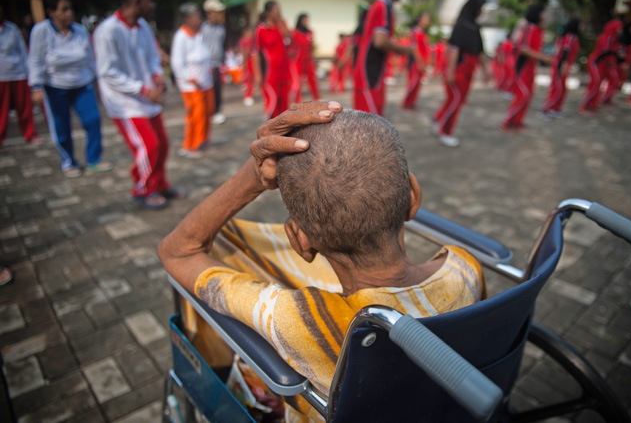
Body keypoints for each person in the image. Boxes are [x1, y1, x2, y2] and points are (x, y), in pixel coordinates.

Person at [159, 101, 485, 422]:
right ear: (413, 197)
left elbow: (178, 251)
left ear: (300, 240)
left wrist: (254, 176)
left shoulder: (298, 320)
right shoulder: (466, 268)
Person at [93, 0, 185, 210]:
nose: (151, 5)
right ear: (135, 2)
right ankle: (143, 187)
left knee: (162, 144)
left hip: (148, 100)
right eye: (147, 1)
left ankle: (159, 182)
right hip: (124, 103)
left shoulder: (143, 26)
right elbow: (107, 72)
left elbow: (153, 57)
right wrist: (144, 90)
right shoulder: (107, 30)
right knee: (149, 146)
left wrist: (157, 76)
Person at [28, 0, 111, 177]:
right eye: (64, 9)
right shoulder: (41, 31)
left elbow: (90, 59)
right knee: (61, 125)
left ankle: (93, 159)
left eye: (70, 9)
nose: (69, 13)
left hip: (82, 83)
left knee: (93, 120)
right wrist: (36, 86)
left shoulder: (80, 31)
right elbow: (35, 61)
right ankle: (69, 161)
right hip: (55, 86)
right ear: (51, 12)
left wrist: (97, 85)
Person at [353, 0, 413, 116]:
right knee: (370, 126)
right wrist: (404, 50)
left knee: (372, 123)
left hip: (374, 73)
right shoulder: (382, 6)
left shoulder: (383, 6)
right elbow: (380, 41)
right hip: (369, 74)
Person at [432, 0, 489, 147]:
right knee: (455, 101)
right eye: (480, 8)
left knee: (457, 101)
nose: (481, 12)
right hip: (458, 70)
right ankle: (445, 132)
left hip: (469, 70)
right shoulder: (461, 26)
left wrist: (486, 71)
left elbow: (480, 52)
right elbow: (454, 50)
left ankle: (439, 119)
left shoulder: (475, 28)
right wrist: (450, 72)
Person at [171, 3, 215, 159]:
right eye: (197, 16)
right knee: (195, 115)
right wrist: (189, 78)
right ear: (187, 18)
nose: (200, 18)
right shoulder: (181, 36)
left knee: (207, 111)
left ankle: (203, 139)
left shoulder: (198, 34)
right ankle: (189, 145)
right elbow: (177, 63)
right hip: (191, 85)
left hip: (205, 82)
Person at [500, 4, 552, 133]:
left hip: (531, 68)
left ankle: (517, 122)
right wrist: (544, 57)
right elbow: (523, 49)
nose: (545, 15)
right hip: (522, 67)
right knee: (523, 94)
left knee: (529, 95)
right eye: (543, 12)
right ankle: (508, 122)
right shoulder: (529, 28)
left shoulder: (538, 30)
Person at [0, 4, 42, 147]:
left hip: (18, 73)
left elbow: (23, 51)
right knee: (2, 110)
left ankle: (30, 134)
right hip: (1, 75)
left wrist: (29, 72)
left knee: (24, 107)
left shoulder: (11, 28)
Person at [253, 0, 291, 120]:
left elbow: (289, 38)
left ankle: (284, 134)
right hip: (270, 73)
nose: (279, 13)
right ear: (268, 12)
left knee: (284, 104)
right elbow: (255, 53)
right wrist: (257, 74)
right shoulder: (261, 30)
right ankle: (270, 133)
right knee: (272, 104)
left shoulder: (282, 25)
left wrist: (279, 22)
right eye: (276, 10)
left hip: (284, 71)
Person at [538, 17, 581, 121]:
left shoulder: (570, 37)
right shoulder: (569, 37)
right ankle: (545, 110)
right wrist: (563, 66)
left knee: (562, 89)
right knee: (557, 89)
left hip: (564, 66)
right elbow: (565, 53)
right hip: (560, 65)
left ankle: (555, 109)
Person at [578, 20, 622, 115]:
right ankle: (585, 105)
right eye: (619, 28)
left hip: (602, 65)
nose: (620, 30)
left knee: (599, 85)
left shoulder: (613, 38)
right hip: (596, 63)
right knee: (595, 84)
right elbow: (606, 52)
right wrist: (616, 53)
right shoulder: (608, 37)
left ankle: (593, 104)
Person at [202, 0, 228, 125]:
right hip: (207, 65)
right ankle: (210, 113)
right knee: (209, 91)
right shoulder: (203, 28)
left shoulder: (221, 28)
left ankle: (217, 112)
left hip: (217, 64)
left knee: (217, 90)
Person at [401, 12, 431, 111]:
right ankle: (406, 103)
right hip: (415, 63)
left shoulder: (423, 33)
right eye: (426, 18)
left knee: (418, 84)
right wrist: (420, 62)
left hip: (421, 63)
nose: (427, 21)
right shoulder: (414, 32)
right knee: (412, 83)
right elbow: (414, 48)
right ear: (420, 19)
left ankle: (412, 103)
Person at [290, 13, 320, 103]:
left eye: (307, 20)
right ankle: (297, 101)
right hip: (298, 60)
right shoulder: (294, 33)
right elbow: (290, 46)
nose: (306, 22)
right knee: (297, 82)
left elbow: (312, 46)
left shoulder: (309, 32)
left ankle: (317, 99)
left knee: (312, 80)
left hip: (308, 59)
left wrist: (313, 56)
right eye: (305, 20)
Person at [238, 27, 255, 106]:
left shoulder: (252, 40)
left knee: (252, 79)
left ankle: (250, 94)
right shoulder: (243, 41)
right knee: (248, 79)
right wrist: (244, 61)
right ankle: (247, 96)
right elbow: (244, 51)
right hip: (247, 61)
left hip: (252, 61)